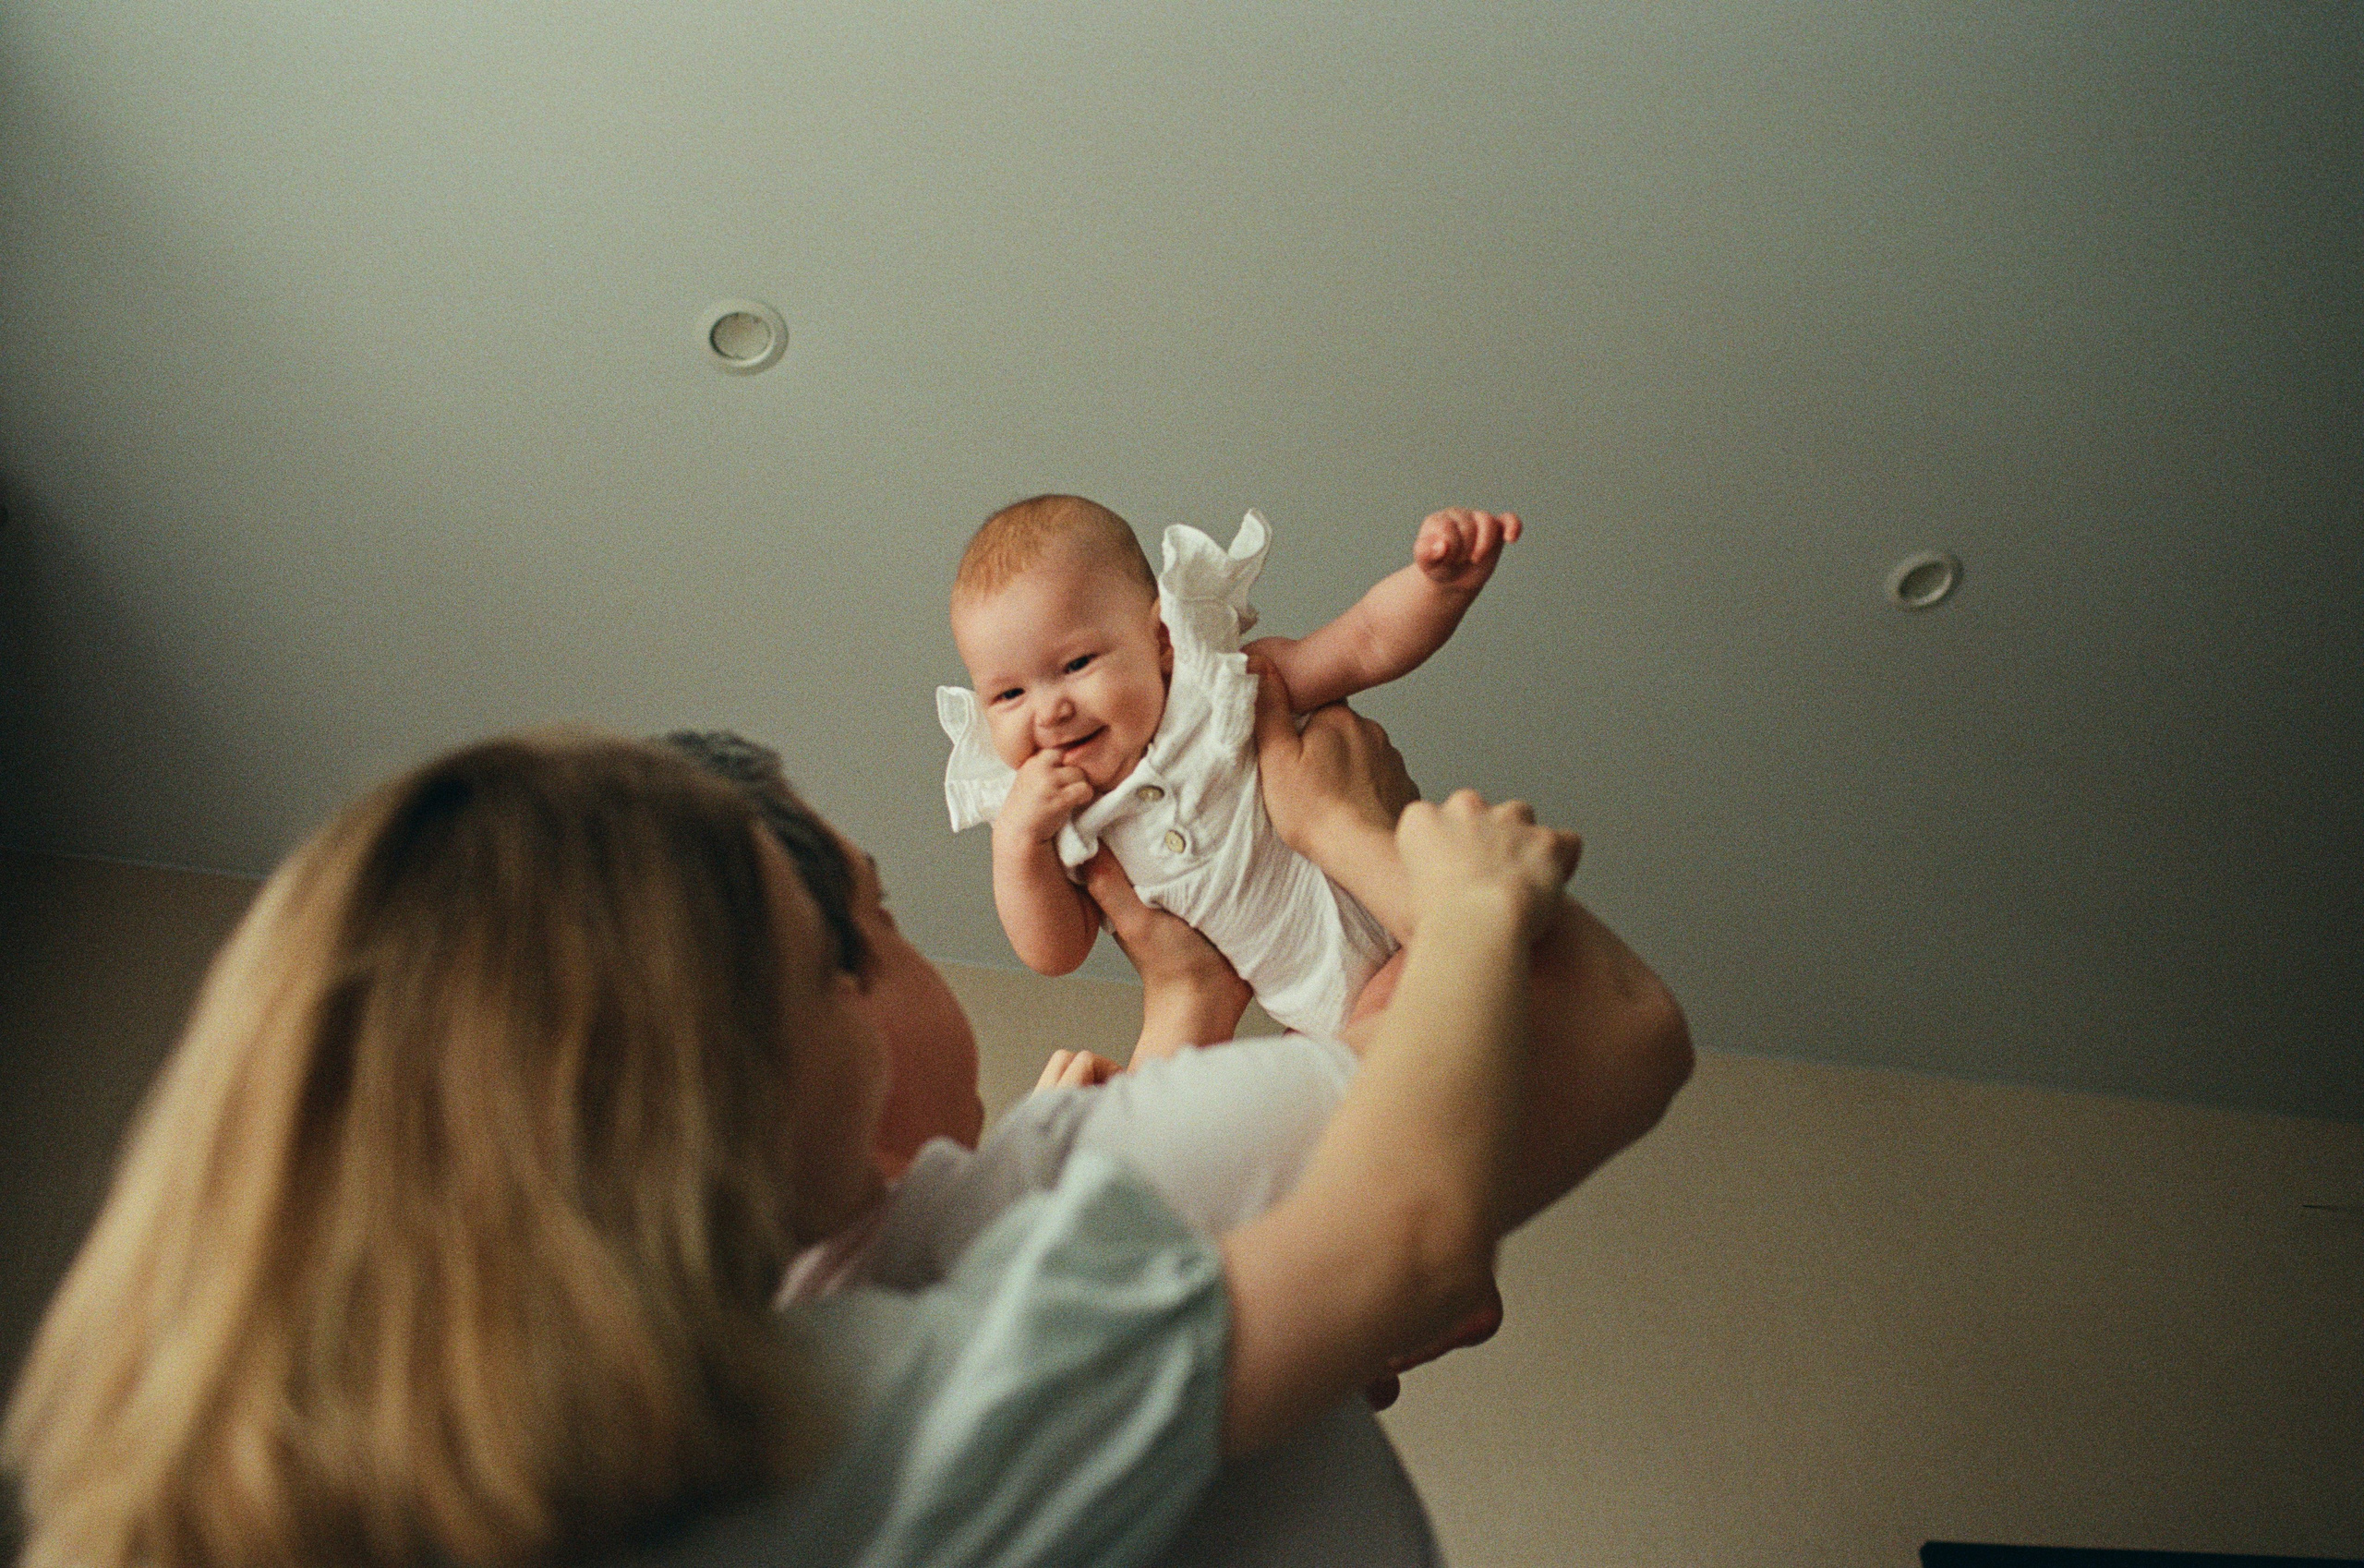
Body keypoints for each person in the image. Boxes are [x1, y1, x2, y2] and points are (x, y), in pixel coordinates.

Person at [2, 718, 1688, 1568]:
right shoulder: (851, 1406)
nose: (867, 996)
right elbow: (1578, 1063)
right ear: (679, 1091)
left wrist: (1183, 1017)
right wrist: (1409, 865)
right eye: (834, 949)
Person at [939, 492, 1521, 1045]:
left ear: (1163, 638)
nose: (1050, 710)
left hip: (1411, 917)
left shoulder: (1224, 686)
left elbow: (1365, 641)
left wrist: (1437, 587)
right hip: (1319, 1016)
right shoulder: (1060, 818)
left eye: (1077, 663)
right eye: (1008, 694)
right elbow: (1056, 952)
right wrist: (1017, 844)